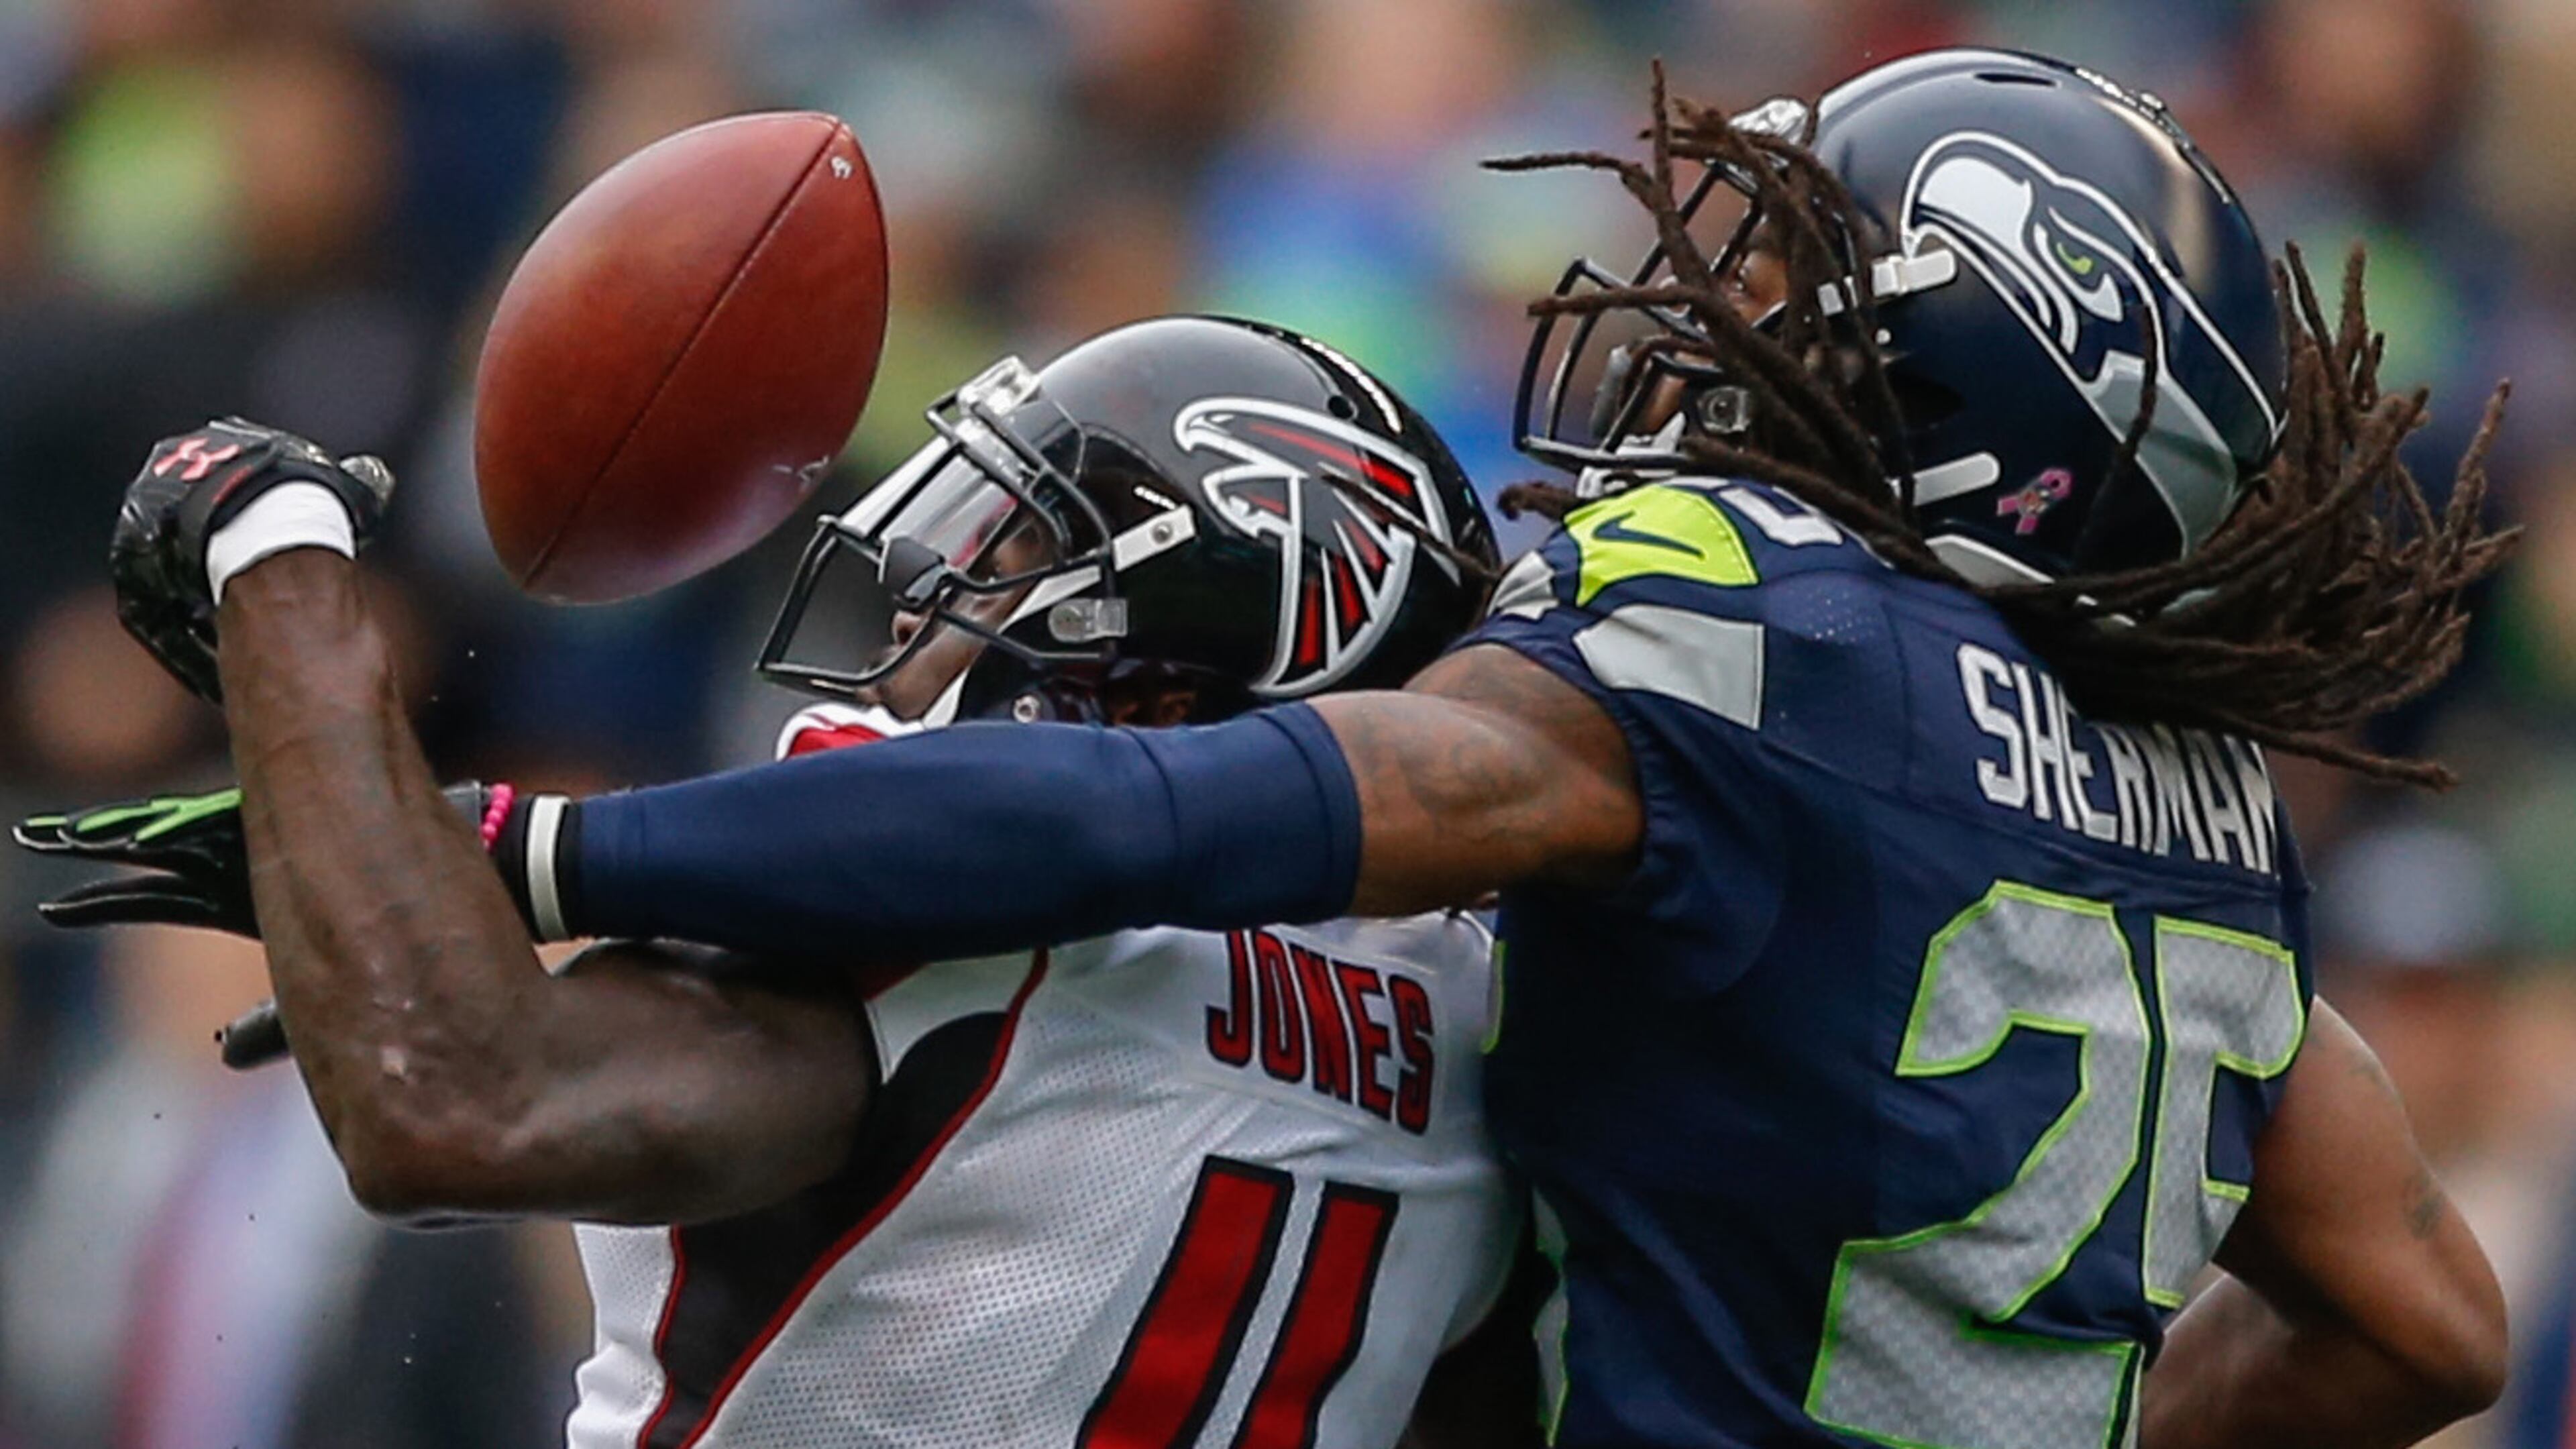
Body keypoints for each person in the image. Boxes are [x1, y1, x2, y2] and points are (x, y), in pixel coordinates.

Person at [61, 49, 2510, 1449]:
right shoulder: (2196, 836)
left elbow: (1178, 820)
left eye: (1799, 298)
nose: (1719, 331)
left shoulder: (1724, 682)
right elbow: (2429, 1321)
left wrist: (508, 817)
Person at [31, 316, 1540, 1449]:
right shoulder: (1469, 1010)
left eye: (1023, 553)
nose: (941, 600)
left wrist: (277, 560)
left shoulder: (980, 922)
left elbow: (448, 1104)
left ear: (1169, 677)